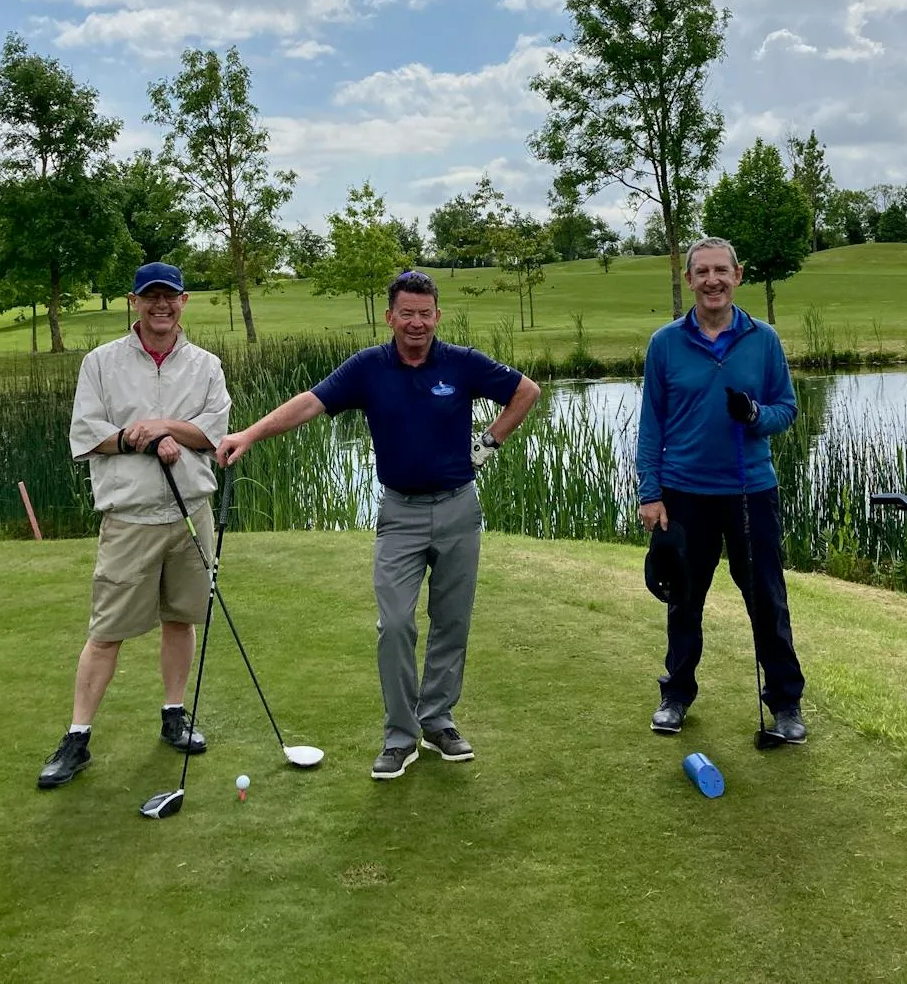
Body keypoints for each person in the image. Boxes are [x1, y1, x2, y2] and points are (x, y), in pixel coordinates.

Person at [216, 270, 541, 779]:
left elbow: (526, 390)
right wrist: (251, 434)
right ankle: (400, 735)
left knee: (452, 622)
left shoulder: (462, 363)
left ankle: (437, 721)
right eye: (406, 313)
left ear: (438, 314)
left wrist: (489, 441)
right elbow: (310, 402)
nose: (416, 323)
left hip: (459, 508)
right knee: (394, 624)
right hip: (401, 514)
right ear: (389, 317)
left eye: (425, 313)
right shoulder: (369, 367)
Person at [37, 261, 233, 789]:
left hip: (191, 512)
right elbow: (86, 434)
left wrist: (164, 426)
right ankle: (77, 738)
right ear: (134, 301)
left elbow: (212, 433)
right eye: (151, 297)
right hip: (129, 518)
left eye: (170, 296)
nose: (161, 305)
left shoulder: (206, 365)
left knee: (181, 618)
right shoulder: (101, 363)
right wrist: (136, 438)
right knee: (107, 632)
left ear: (184, 302)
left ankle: (174, 714)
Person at [636, 238, 808, 744]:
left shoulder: (764, 339)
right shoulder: (665, 343)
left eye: (721, 271)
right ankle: (676, 694)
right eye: (702, 272)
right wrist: (651, 493)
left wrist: (756, 415)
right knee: (683, 601)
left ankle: (785, 703)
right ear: (689, 280)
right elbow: (652, 424)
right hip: (684, 493)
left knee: (767, 602)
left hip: (751, 492)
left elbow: (786, 410)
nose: (712, 280)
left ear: (738, 276)